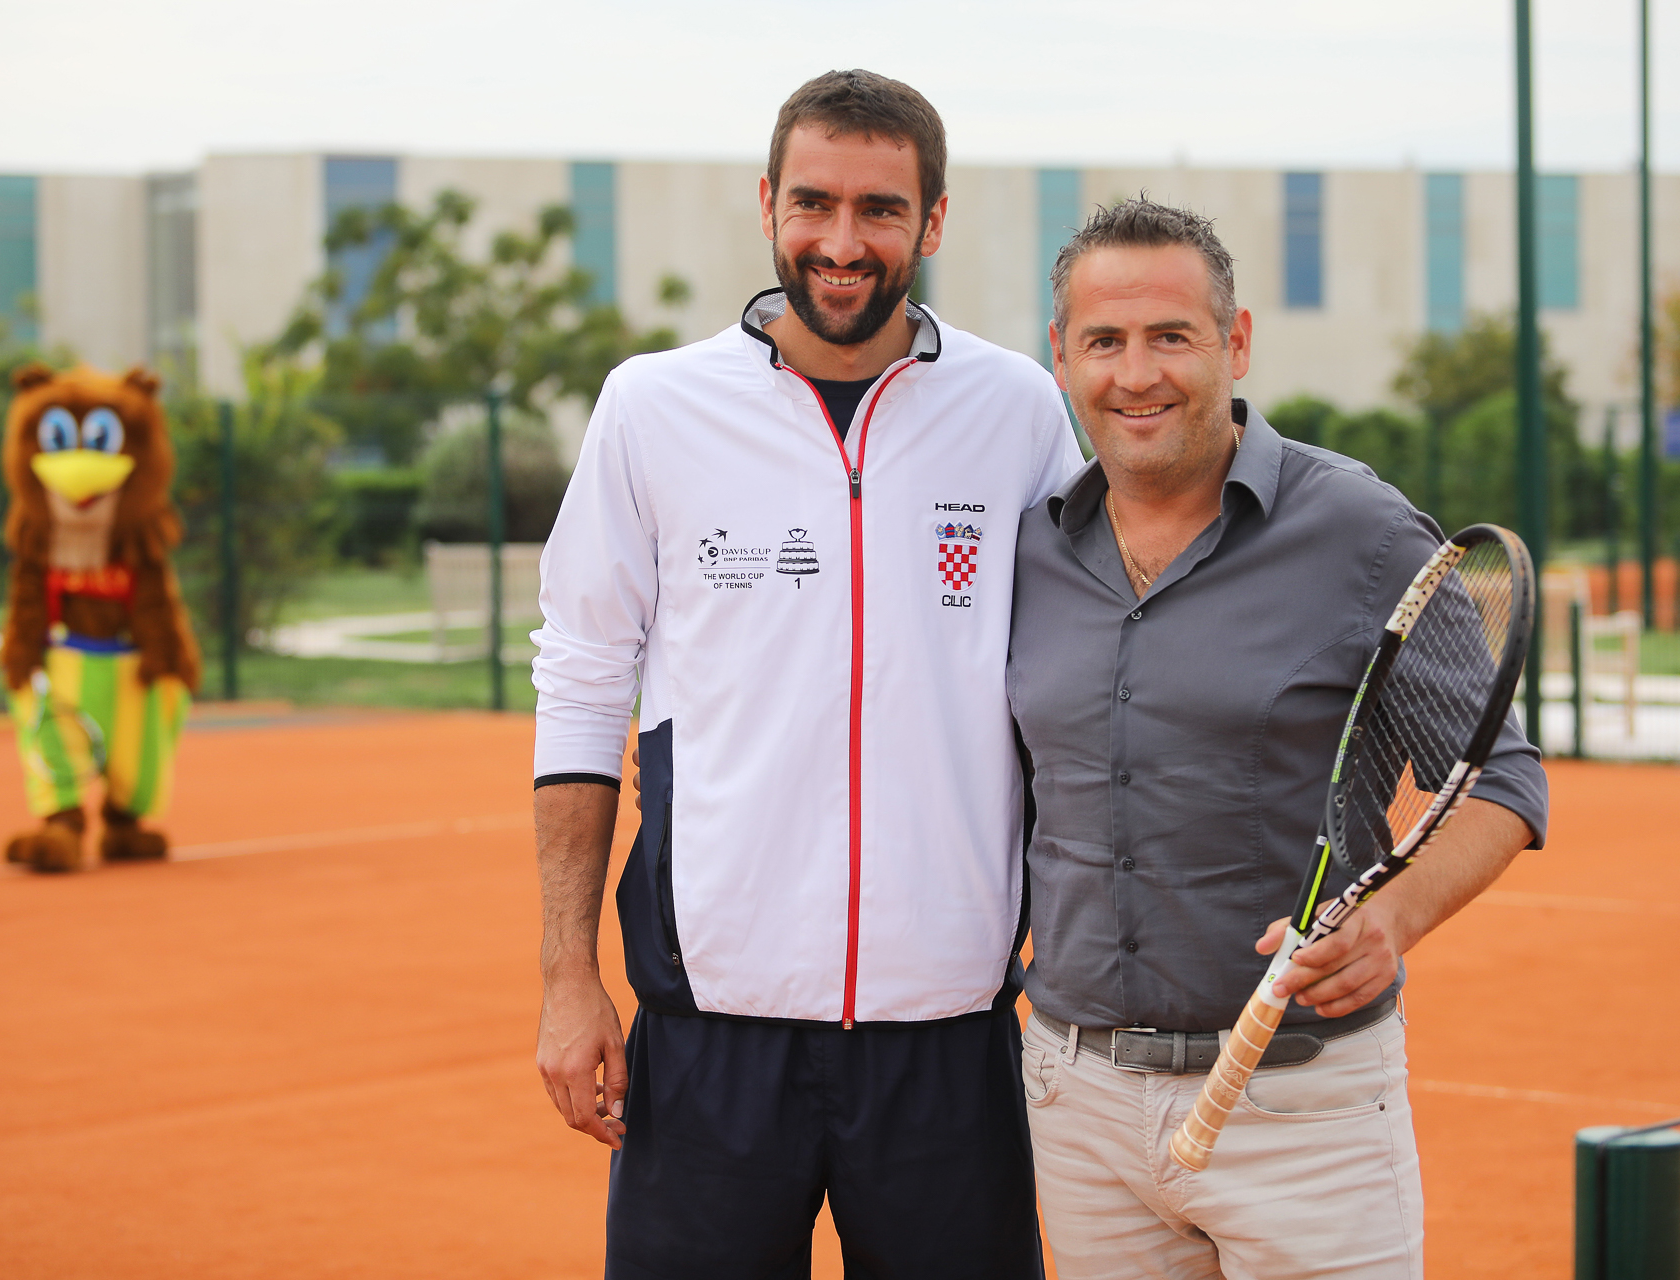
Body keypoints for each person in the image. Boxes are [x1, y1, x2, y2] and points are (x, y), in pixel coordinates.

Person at [530, 69, 1083, 1279]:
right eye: (815, 203)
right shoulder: (652, 406)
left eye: (881, 209)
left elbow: (1080, 675)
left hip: (947, 1031)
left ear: (933, 221)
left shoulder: (1018, 410)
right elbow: (580, 679)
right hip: (710, 1032)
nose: (842, 242)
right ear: (768, 203)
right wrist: (568, 975)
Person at [1007, 197, 1550, 1279]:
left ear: (1237, 341)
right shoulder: (1029, 550)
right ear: (1061, 357)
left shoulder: (1362, 531)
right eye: (1105, 342)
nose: (1137, 373)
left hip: (1305, 1111)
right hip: (1079, 1106)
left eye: (1172, 336)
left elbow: (1502, 780)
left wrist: (1391, 916)